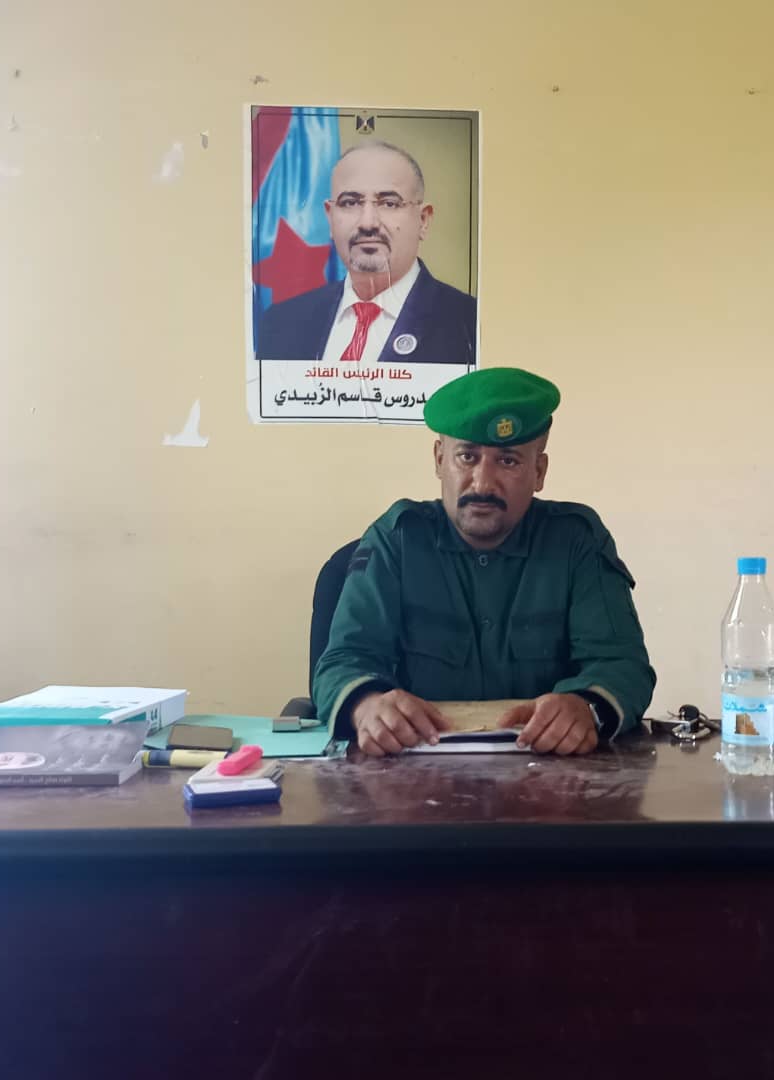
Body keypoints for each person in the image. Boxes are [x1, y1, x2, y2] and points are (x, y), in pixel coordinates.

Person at [312, 367, 656, 756]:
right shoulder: (398, 539)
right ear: (439, 459)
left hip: (549, 772)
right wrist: (366, 705)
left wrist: (586, 707)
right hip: (415, 770)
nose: (482, 483)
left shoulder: (576, 541)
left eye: (508, 461)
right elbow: (342, 662)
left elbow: (622, 665)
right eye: (467, 456)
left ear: (539, 472)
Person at [256, 141, 477, 366]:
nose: (367, 223)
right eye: (350, 203)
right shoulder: (280, 323)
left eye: (389, 204)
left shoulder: (471, 324)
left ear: (423, 220)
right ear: (330, 218)